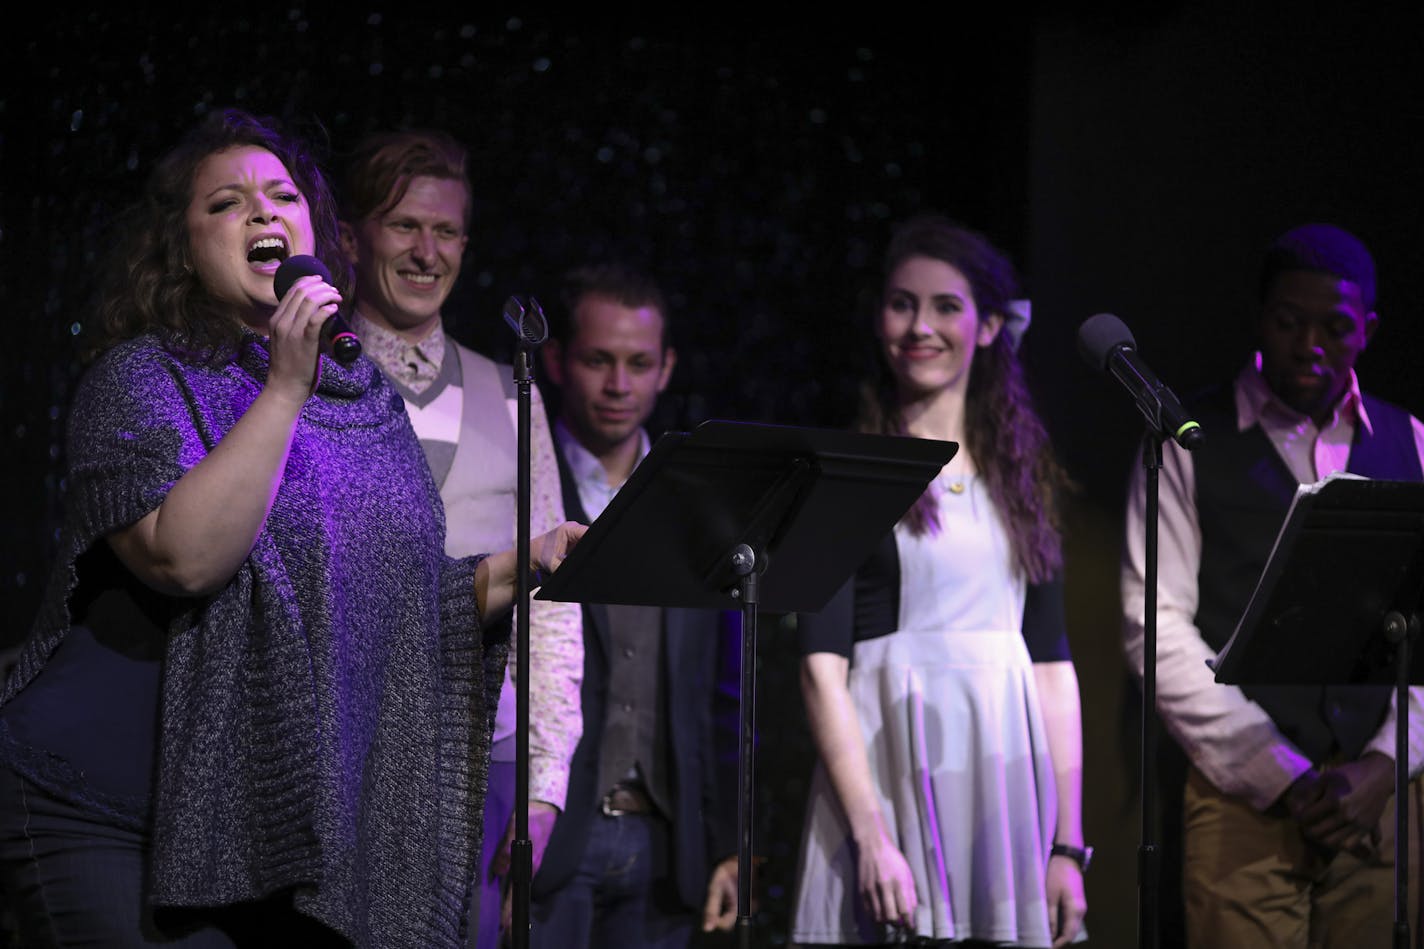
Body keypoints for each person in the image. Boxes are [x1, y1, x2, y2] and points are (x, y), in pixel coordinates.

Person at [0, 108, 581, 948]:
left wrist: (529, 561)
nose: (264, 213)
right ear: (182, 245)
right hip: (98, 800)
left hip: (249, 830)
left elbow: (408, 600)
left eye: (282, 196)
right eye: (227, 204)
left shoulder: (360, 402)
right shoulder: (140, 378)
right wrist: (281, 388)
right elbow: (186, 559)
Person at [1121, 222, 1424, 947]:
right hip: (1240, 797)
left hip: (1379, 796)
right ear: (1261, 318)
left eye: (1336, 326)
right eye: (1290, 321)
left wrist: (1387, 760)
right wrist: (1277, 770)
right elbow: (1153, 623)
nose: (1310, 343)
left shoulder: (1410, 440)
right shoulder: (1188, 440)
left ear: (1370, 329)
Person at [791, 214, 1088, 947]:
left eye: (945, 306)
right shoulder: (847, 474)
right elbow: (821, 670)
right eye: (901, 304)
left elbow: (1051, 664)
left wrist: (1066, 843)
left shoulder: (1024, 479)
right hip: (884, 775)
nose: (920, 326)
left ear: (989, 326)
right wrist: (870, 835)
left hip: (1000, 781)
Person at [337, 128, 584, 949]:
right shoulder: (307, 380)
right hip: (347, 748)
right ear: (352, 235)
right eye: (404, 224)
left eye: (445, 231)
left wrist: (544, 787)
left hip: (487, 753)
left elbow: (554, 596)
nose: (426, 249)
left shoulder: (510, 393)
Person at [529, 262, 740, 948]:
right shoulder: (529, 481)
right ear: (558, 359)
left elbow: (721, 693)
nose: (619, 384)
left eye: (638, 362)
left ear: (666, 367)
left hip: (665, 845)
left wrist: (730, 841)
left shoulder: (695, 505)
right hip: (553, 838)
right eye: (598, 359)